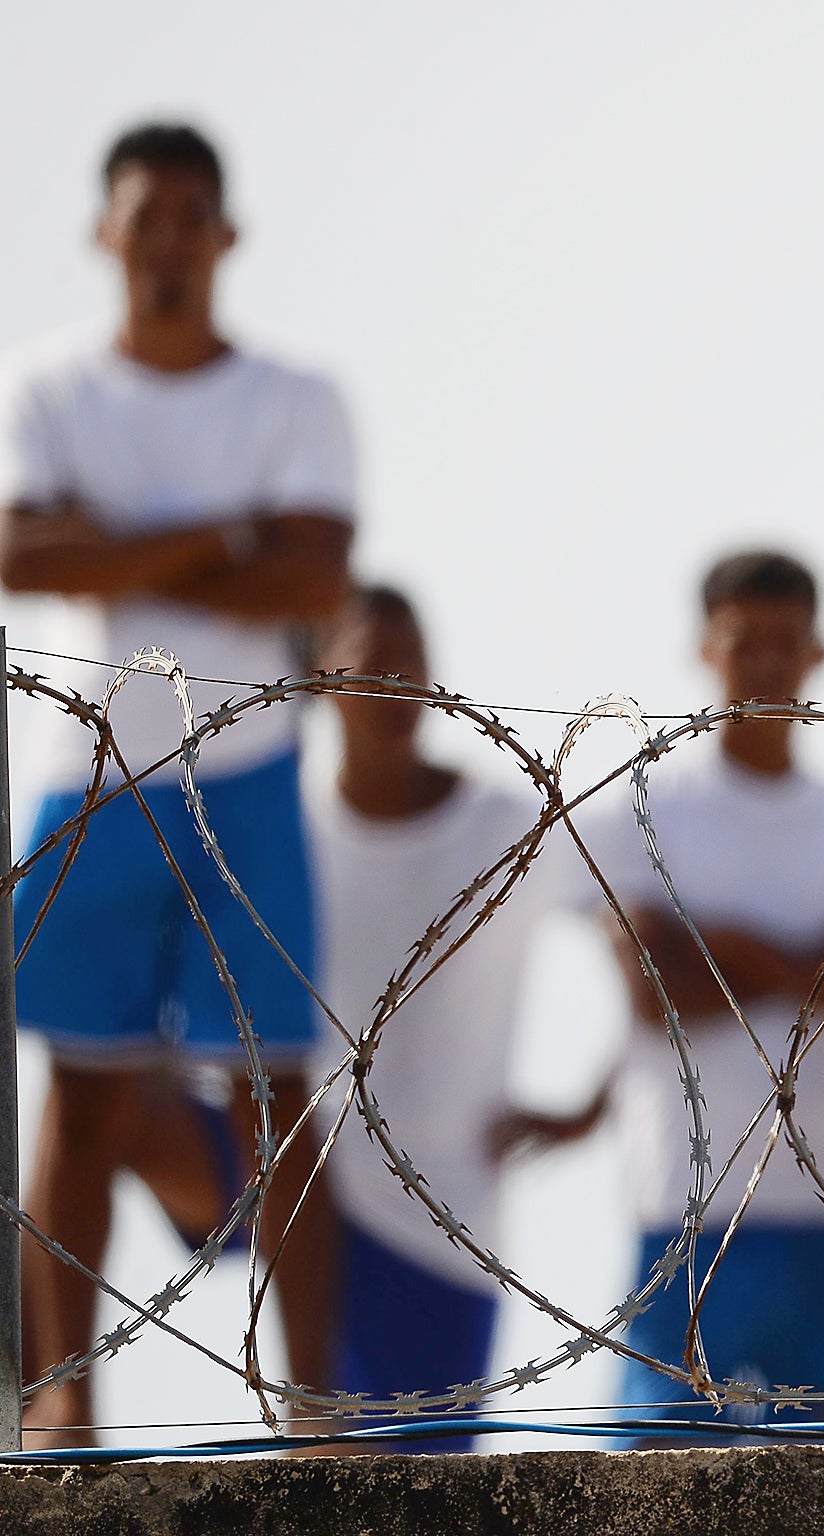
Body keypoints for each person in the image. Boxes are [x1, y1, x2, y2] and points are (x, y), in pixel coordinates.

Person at [0, 122, 353, 1440]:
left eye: (188, 217)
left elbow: (314, 579)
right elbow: (23, 555)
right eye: (143, 216)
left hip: (247, 768)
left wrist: (117, 549)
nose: (164, 243)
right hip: (86, 775)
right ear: (107, 232)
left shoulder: (293, 398)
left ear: (226, 233)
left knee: (273, 1089)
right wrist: (226, 535)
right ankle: (62, 1404)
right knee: (82, 1090)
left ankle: (310, 1398)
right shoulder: (44, 387)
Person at [582, 550, 824, 1431]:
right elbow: (654, 990)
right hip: (687, 1197)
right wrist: (818, 965)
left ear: (819, 651)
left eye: (787, 640)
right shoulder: (645, 809)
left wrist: (721, 944)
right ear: (706, 647)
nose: (767, 663)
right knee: (657, 1462)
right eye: (746, 640)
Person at [307, 585, 589, 1452]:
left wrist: (589, 1108)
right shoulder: (292, 825)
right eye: (370, 668)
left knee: (411, 1491)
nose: (396, 688)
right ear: (321, 681)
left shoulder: (506, 824)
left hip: (443, 1223)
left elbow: (636, 934)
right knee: (107, 1110)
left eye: (411, 666)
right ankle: (55, 1403)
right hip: (300, 1190)